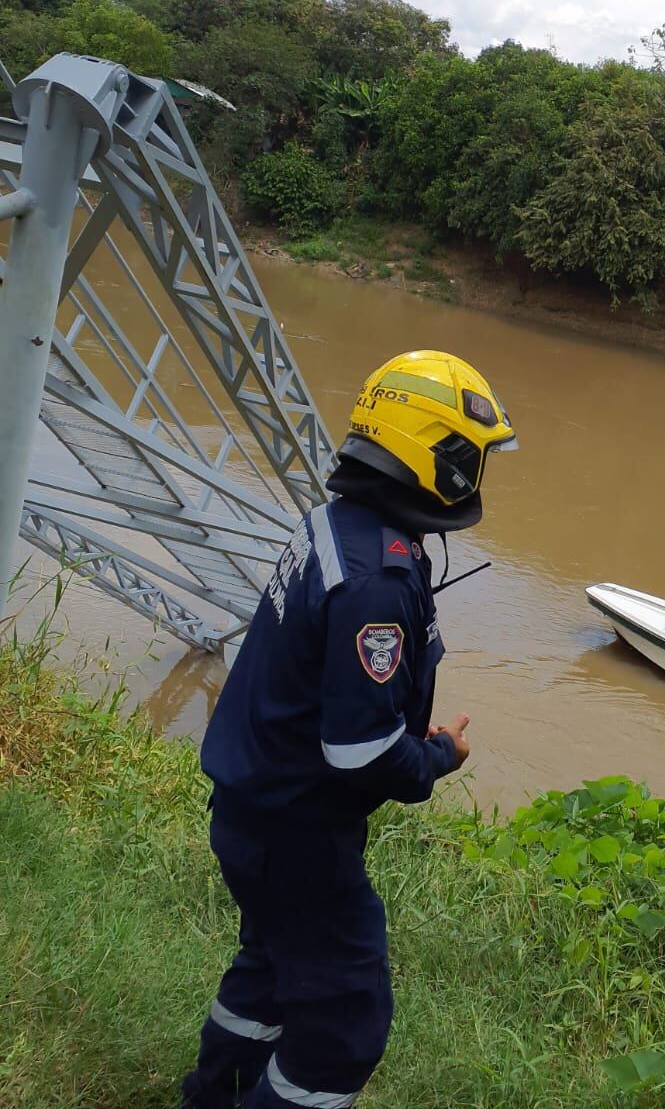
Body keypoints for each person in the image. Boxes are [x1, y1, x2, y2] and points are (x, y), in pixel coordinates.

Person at [180, 351, 518, 1109]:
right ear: (433, 453)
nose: (474, 476)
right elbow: (360, 757)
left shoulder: (335, 525)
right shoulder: (378, 580)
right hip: (301, 836)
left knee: (267, 981)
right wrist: (436, 755)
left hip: (252, 811)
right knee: (342, 1027)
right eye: (470, 456)